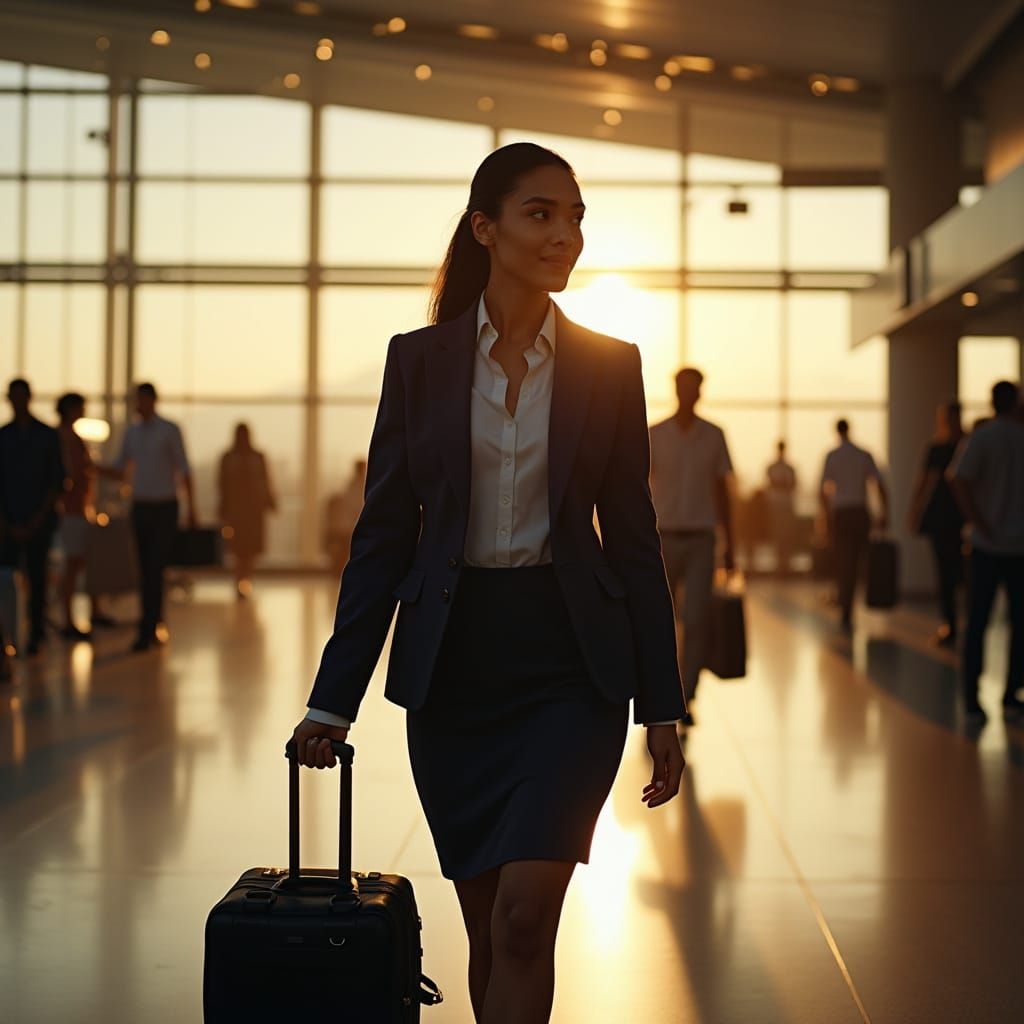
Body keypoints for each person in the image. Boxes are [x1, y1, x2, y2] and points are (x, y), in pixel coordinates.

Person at [290, 142, 687, 1024]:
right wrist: (332, 699)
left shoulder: (609, 365)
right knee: (485, 928)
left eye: (575, 216)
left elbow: (633, 545)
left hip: (570, 667)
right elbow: (385, 540)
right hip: (456, 670)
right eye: (541, 213)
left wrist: (663, 705)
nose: (565, 235)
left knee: (521, 919)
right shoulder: (419, 362)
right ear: (486, 228)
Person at [649, 366, 735, 711]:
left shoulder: (714, 436)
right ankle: (660, 685)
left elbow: (723, 493)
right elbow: (636, 488)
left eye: (694, 388)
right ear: (676, 390)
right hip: (662, 537)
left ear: (700, 392)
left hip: (701, 537)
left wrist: (731, 546)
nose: (689, 394)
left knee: (696, 617)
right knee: (659, 616)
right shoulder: (655, 435)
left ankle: (687, 690)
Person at [950, 380, 1024, 722]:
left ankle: (971, 699)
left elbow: (958, 479)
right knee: (1019, 623)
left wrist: (978, 520)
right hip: (1017, 545)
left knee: (977, 621)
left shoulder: (982, 437)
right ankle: (1012, 693)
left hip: (984, 545)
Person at [106, 382, 196, 652]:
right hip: (142, 506)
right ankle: (152, 621)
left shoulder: (168, 430)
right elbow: (121, 468)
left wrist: (192, 508)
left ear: (152, 401)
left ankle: (150, 625)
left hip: (164, 506)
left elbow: (184, 468)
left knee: (154, 566)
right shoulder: (132, 433)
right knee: (147, 569)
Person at [0, 379, 64, 657]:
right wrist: (5, 521)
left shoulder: (46, 436)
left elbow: (55, 481)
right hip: (8, 521)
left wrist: (39, 517)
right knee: (6, 582)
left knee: (37, 579)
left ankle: (36, 631)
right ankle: (6, 635)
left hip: (37, 520)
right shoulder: (3, 436)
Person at [819, 418, 889, 632]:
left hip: (841, 514)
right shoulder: (863, 454)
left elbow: (822, 490)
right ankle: (850, 605)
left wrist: (825, 518)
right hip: (860, 513)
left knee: (844, 560)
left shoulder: (832, 456)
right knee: (858, 561)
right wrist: (886, 512)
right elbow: (879, 485)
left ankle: (846, 608)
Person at [906, 402, 965, 648]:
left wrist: (916, 511)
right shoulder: (949, 446)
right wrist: (915, 511)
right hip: (950, 517)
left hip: (957, 516)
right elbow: (924, 482)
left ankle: (954, 623)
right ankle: (950, 622)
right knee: (947, 574)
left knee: (953, 573)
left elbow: (925, 482)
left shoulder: (955, 446)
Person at [217, 422, 276, 598]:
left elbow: (265, 481)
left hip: (251, 510)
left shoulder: (253, 457)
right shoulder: (232, 458)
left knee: (248, 550)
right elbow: (223, 485)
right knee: (240, 550)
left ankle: (244, 581)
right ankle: (241, 581)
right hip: (238, 511)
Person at [323, 459, 367, 575]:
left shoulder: (353, 484)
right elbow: (357, 505)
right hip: (350, 524)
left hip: (348, 523)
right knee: (346, 550)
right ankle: (339, 572)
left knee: (345, 551)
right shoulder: (359, 485)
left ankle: (339, 572)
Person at [765, 440, 797, 576]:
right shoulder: (774, 467)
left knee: (786, 536)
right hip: (777, 505)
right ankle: (780, 565)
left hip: (784, 505)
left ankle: (785, 565)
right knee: (779, 535)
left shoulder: (789, 468)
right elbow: (773, 484)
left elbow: (792, 485)